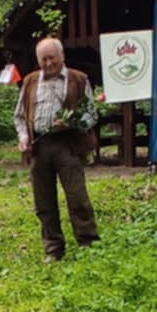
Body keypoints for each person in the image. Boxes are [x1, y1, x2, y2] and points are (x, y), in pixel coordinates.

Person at [13, 38, 99, 262]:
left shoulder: (79, 79)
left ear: (62, 57)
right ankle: (53, 248)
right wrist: (23, 137)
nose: (48, 63)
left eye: (52, 57)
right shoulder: (30, 81)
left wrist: (72, 124)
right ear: (38, 60)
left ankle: (88, 243)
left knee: (77, 196)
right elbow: (19, 116)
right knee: (43, 200)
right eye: (44, 59)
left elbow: (91, 114)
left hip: (68, 145)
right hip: (39, 147)